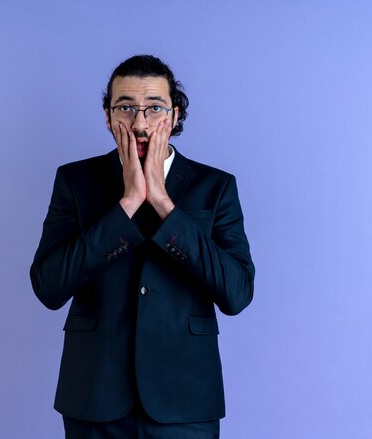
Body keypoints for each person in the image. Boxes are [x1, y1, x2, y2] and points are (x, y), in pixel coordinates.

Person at [30, 54, 255, 439]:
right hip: (93, 398)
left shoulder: (215, 187)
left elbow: (236, 293)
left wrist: (164, 203)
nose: (139, 122)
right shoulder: (75, 180)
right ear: (108, 115)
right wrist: (129, 202)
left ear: (175, 114)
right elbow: (49, 287)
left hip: (185, 400)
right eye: (126, 108)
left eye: (154, 108)